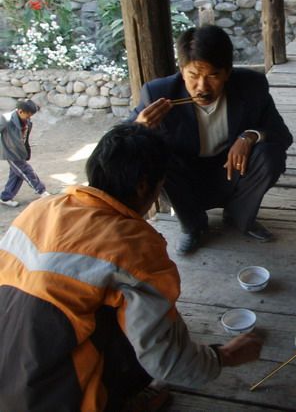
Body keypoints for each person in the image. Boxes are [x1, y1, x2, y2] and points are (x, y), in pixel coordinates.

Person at [0, 123, 263, 411]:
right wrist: (225, 356)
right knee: (142, 323)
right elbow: (169, 363)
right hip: (54, 403)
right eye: (160, 185)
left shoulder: (41, 208)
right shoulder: (134, 244)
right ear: (143, 186)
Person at [130, 25, 293, 256]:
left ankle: (239, 217)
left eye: (213, 75)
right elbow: (118, 141)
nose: (202, 87)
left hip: (233, 171)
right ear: (181, 71)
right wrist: (138, 126)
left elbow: (282, 134)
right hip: (185, 181)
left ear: (227, 72)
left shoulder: (251, 86)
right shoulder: (159, 93)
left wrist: (249, 136)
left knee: (270, 155)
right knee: (155, 157)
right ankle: (192, 226)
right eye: (193, 76)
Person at [0, 99, 49, 207]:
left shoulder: (26, 119)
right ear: (20, 111)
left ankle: (5, 197)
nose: (29, 118)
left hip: (20, 151)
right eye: (28, 115)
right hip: (11, 153)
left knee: (17, 175)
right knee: (26, 171)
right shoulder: (5, 119)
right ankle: (41, 191)